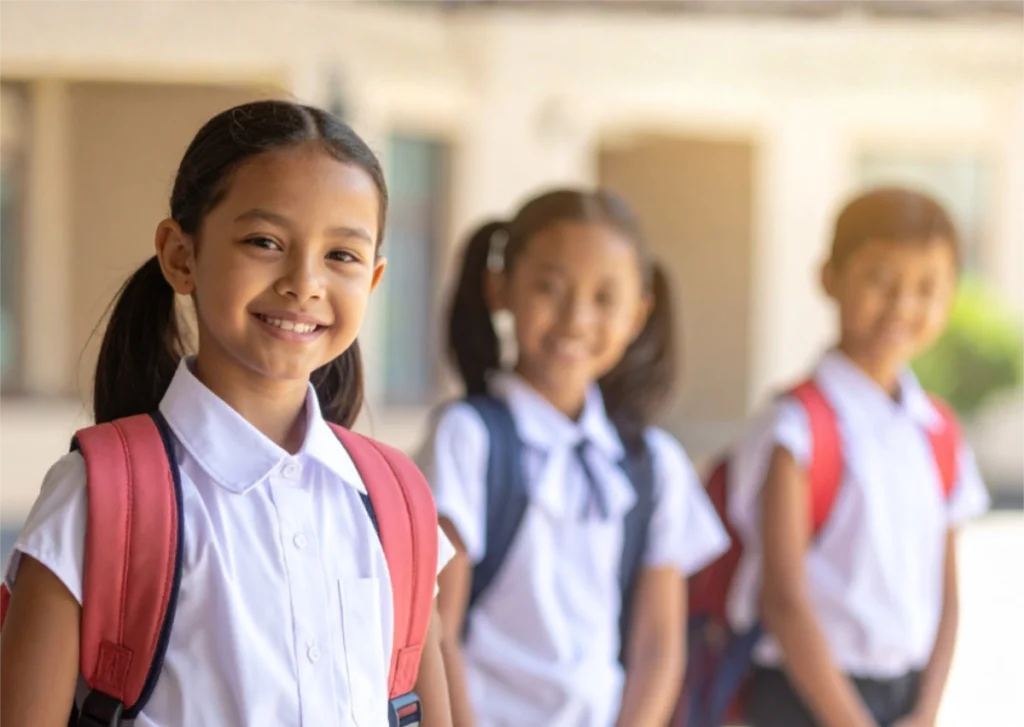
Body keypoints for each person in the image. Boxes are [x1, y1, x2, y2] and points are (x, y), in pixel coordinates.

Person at [0, 100, 454, 727]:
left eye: (341, 256)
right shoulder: (99, 497)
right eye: (265, 242)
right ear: (180, 256)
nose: (305, 282)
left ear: (373, 280)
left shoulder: (398, 503)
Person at [416, 188, 729, 727]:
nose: (576, 318)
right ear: (500, 288)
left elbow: (658, 647)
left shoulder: (655, 464)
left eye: (605, 298)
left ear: (638, 314)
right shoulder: (468, 438)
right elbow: (435, 629)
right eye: (549, 288)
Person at [726, 187, 991, 727]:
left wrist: (927, 711)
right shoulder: (796, 428)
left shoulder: (937, 432)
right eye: (881, 280)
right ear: (830, 278)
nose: (903, 305)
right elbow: (783, 602)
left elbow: (947, 595)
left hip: (906, 698)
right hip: (800, 699)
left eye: (927, 287)